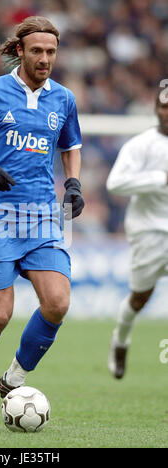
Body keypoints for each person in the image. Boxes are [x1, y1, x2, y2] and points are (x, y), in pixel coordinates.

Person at [0, 16, 84, 428]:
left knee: (57, 302)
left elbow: (71, 144)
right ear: (19, 51)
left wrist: (73, 182)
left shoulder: (64, 99)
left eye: (51, 52)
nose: (45, 59)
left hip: (41, 217)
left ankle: (14, 379)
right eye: (37, 51)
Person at [107, 88, 168, 379]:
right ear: (156, 108)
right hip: (150, 231)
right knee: (140, 297)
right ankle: (121, 339)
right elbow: (115, 184)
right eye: (163, 106)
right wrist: (158, 180)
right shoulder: (141, 145)